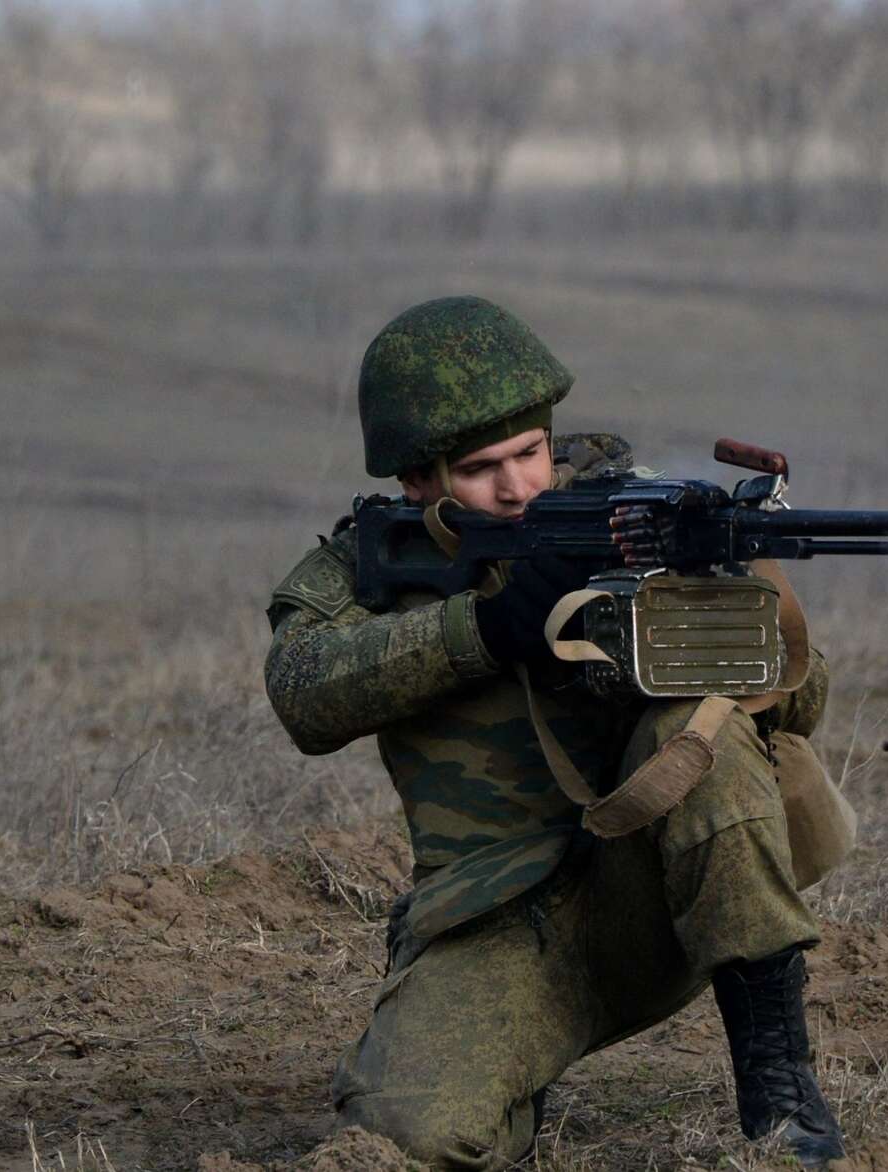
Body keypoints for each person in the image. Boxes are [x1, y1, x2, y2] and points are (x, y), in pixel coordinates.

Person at [262, 296, 847, 1170]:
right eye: (479, 469)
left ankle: (779, 1087)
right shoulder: (364, 566)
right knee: (414, 1135)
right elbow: (304, 695)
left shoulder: (632, 516)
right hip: (497, 920)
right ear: (416, 481)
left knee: (700, 737)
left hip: (661, 887)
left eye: (531, 453)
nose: (517, 487)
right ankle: (511, 1066)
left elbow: (801, 709)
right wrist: (487, 628)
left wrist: (707, 595)